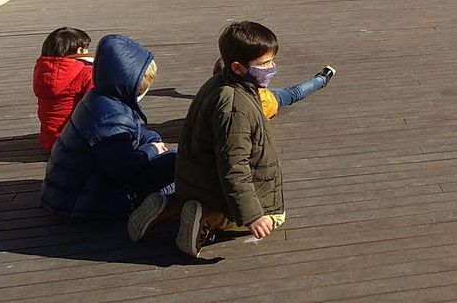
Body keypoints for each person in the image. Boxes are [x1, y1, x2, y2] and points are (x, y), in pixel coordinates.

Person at [168, 21, 287, 257]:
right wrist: (252, 215)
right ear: (238, 67)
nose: (272, 68)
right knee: (276, 217)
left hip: (197, 180)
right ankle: (210, 217)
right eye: (265, 64)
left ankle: (172, 206)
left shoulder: (217, 84)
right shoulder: (235, 104)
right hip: (214, 189)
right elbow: (234, 166)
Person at [41, 34, 175, 220]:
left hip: (69, 191)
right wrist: (151, 150)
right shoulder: (113, 116)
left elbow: (129, 134)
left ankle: (165, 204)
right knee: (174, 166)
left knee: (170, 162)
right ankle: (160, 209)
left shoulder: (102, 98)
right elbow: (122, 169)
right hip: (83, 203)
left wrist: (150, 139)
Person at [33, 27, 95, 152]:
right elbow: (96, 103)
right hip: (76, 142)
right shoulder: (85, 72)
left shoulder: (41, 71)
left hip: (49, 141)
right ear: (80, 50)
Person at [211, 58, 335, 119]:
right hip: (270, 98)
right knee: (295, 92)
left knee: (294, 92)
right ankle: (322, 79)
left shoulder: (217, 95)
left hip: (266, 97)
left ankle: (321, 79)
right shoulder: (251, 105)